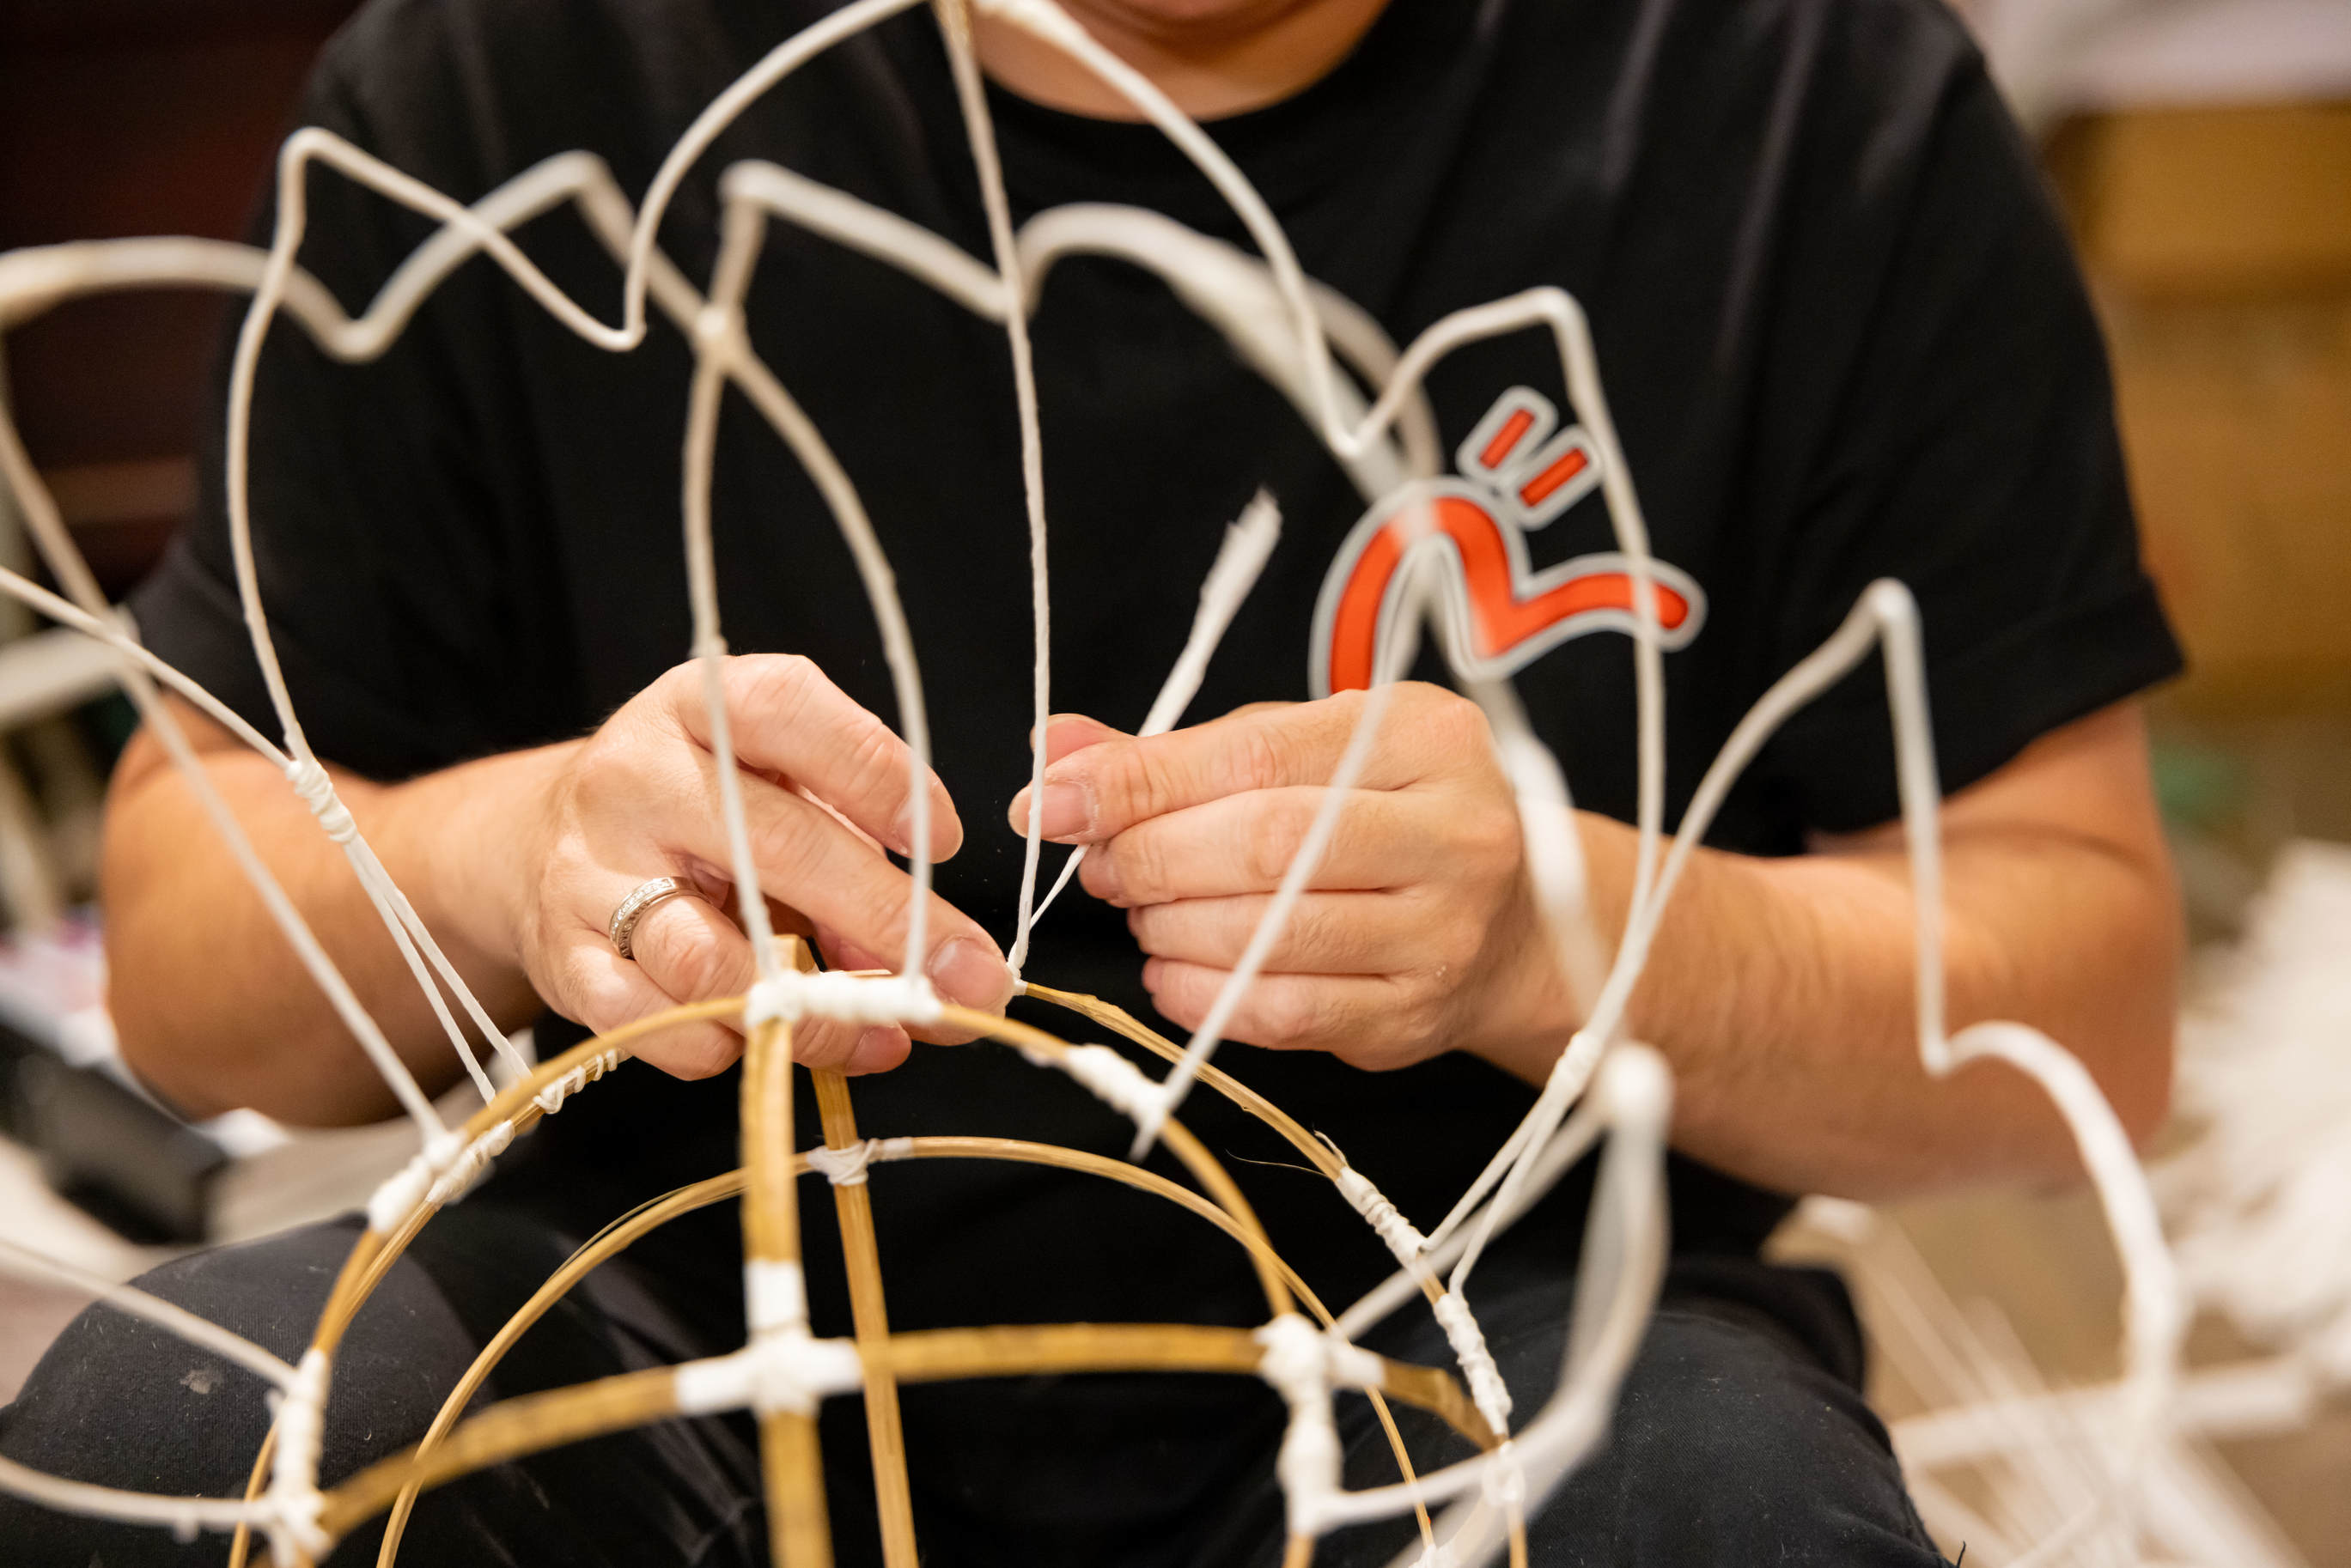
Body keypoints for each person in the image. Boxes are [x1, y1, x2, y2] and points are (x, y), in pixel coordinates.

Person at [1, 0, 2184, 1563]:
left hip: (1506, 1323)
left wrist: (1575, 925)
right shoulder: (511, 83)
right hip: (669, 1285)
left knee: (1730, 1528)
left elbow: (2076, 998)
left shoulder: (1806, 99)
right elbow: (187, 959)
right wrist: (517, 857)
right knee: (175, 1444)